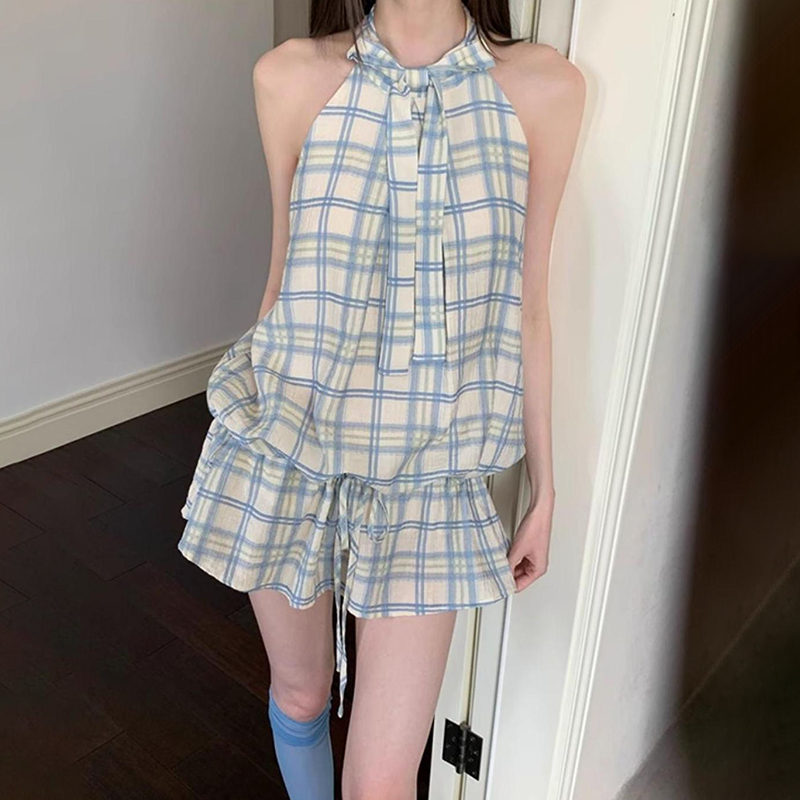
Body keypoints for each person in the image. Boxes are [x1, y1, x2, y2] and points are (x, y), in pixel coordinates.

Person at [177, 1, 585, 798]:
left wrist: (545, 487)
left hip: (429, 481)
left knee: (381, 780)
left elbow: (529, 306)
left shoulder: (544, 89)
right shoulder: (289, 77)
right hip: (288, 449)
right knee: (300, 695)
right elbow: (283, 277)